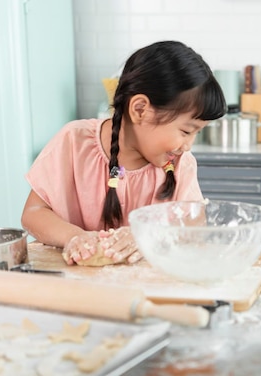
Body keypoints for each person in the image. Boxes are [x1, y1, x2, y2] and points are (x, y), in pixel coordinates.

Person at [21, 40, 227, 265]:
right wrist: (73, 237)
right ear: (140, 109)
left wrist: (149, 234)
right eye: (186, 131)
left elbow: (194, 225)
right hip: (74, 288)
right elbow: (33, 213)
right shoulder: (74, 142)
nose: (188, 145)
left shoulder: (180, 163)